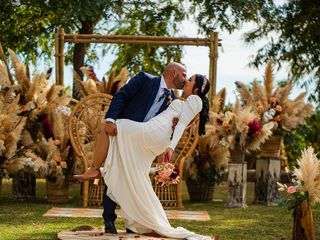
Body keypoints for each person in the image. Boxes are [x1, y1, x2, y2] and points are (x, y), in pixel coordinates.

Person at [77, 74, 212, 240]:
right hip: (154, 137)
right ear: (173, 72)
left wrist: (171, 146)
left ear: (197, 89)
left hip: (152, 133)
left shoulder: (194, 100)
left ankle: (95, 168)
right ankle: (137, 223)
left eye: (190, 79)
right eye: (186, 76)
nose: (186, 80)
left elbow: (182, 124)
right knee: (134, 173)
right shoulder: (170, 94)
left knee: (111, 126)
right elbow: (177, 119)